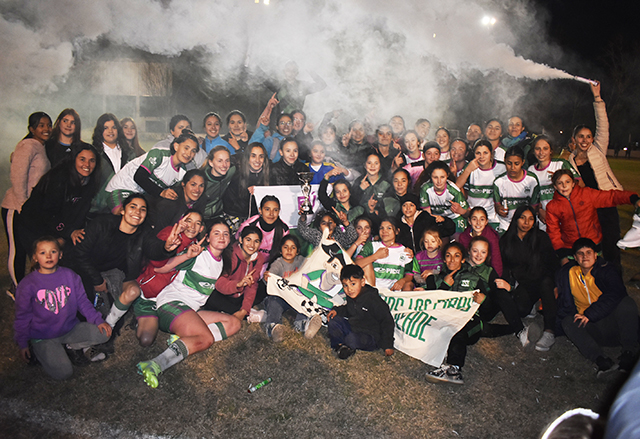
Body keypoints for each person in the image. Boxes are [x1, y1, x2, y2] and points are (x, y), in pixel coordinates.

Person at [136, 220, 242, 388]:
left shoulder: (221, 261)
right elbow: (161, 269)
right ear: (207, 237)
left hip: (191, 310)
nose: (221, 237)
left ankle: (184, 339)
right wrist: (187, 255)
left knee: (234, 323)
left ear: (230, 239)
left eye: (225, 234)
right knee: (205, 339)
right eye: (216, 233)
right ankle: (155, 364)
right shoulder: (198, 253)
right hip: (171, 304)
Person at [14, 237, 112, 380]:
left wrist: (98, 320)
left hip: (69, 328)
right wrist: (22, 343)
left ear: (60, 255)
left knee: (105, 333)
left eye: (53, 251)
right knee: (64, 373)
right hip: (43, 336)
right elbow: (22, 315)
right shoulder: (28, 284)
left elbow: (82, 302)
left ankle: (70, 347)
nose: (48, 256)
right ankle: (41, 351)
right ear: (34, 257)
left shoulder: (70, 275)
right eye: (42, 253)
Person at [102, 211, 205, 347]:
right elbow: (158, 266)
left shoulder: (197, 245)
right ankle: (107, 327)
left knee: (146, 340)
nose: (192, 226)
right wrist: (185, 255)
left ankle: (138, 316)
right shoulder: (170, 233)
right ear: (181, 220)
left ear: (201, 228)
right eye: (189, 220)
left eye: (197, 223)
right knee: (133, 292)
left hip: (162, 298)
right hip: (144, 289)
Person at [63, 194, 181, 312]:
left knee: (108, 306)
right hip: (84, 270)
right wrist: (97, 280)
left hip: (114, 275)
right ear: (123, 211)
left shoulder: (144, 232)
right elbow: (80, 253)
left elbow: (153, 249)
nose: (137, 212)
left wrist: (166, 247)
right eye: (133, 207)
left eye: (142, 209)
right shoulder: (102, 223)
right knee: (77, 306)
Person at [556, 238, 639, 376]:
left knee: (626, 302)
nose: (585, 256)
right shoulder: (568, 274)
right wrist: (558, 328)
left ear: (596, 255)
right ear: (575, 258)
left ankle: (628, 354)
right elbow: (564, 303)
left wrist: (590, 314)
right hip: (591, 328)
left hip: (613, 323)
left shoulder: (607, 269)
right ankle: (602, 361)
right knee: (568, 321)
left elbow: (615, 293)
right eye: (580, 253)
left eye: (589, 252)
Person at [568, 82, 625, 268]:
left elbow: (603, 124)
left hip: (606, 202)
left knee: (612, 241)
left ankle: (614, 276)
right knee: (593, 244)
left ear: (592, 138)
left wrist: (597, 97)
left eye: (588, 136)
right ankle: (596, 277)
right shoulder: (569, 161)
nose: (584, 140)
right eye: (581, 137)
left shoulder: (598, 149)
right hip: (588, 208)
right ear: (574, 139)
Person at [18, 144, 101, 254]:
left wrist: (66, 235)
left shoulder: (89, 182)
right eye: (82, 159)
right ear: (73, 159)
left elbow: (79, 213)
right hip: (34, 224)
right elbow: (47, 213)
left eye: (92, 160)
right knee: (44, 263)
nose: (87, 164)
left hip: (59, 228)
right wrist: (67, 232)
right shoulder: (58, 178)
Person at [545, 169, 639, 264]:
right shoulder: (552, 206)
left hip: (593, 243)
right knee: (576, 277)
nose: (564, 186)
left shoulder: (587, 194)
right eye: (560, 183)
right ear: (555, 186)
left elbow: (611, 197)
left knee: (595, 275)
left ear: (573, 183)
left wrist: (632, 198)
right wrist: (562, 255)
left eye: (567, 182)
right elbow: (553, 231)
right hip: (571, 247)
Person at [424, 242, 485, 385]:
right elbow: (430, 304)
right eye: (448, 256)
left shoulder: (474, 278)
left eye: (457, 256)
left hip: (470, 324)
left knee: (458, 328)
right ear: (444, 260)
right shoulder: (435, 278)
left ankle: (453, 370)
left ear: (463, 259)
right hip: (444, 320)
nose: (452, 260)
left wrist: (484, 300)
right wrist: (445, 286)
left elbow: (487, 307)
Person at [2, 112, 52, 287]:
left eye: (48, 125)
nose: (46, 129)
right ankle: (18, 290)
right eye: (41, 125)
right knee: (18, 251)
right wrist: (23, 206)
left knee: (30, 248)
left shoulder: (40, 146)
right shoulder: (27, 146)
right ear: (32, 129)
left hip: (31, 209)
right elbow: (17, 178)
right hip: (16, 207)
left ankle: (25, 286)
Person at [500, 205, 559, 351]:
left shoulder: (540, 237)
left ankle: (550, 331)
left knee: (546, 286)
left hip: (544, 279)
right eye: (523, 218)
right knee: (520, 310)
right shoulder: (507, 240)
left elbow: (553, 262)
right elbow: (505, 268)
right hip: (526, 283)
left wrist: (557, 285)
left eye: (531, 219)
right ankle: (532, 303)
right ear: (516, 220)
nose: (526, 223)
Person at [103, 128, 198, 213]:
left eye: (193, 151)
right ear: (176, 146)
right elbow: (139, 177)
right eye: (186, 148)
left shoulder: (182, 172)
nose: (189, 153)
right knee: (126, 214)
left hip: (140, 194)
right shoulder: (159, 154)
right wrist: (162, 192)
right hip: (122, 187)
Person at [467, 236, 529, 343]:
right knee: (479, 330)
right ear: (469, 251)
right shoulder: (461, 265)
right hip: (466, 309)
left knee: (501, 293)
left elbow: (499, 291)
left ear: (487, 255)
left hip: (484, 307)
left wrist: (508, 287)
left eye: (483, 252)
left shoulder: (488, 270)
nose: (478, 255)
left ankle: (519, 330)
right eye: (475, 251)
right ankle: (512, 329)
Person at [326, 264, 395, 360]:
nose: (349, 289)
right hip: (354, 328)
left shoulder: (373, 300)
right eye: (345, 285)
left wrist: (388, 345)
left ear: (362, 282)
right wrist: (337, 311)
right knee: (334, 321)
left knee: (351, 339)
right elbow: (348, 309)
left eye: (353, 284)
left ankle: (348, 346)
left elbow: (387, 321)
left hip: (370, 336)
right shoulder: (351, 296)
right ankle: (340, 345)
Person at [262, 235, 322, 342]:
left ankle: (303, 324)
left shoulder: (301, 261)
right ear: (280, 250)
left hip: (296, 297)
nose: (289, 250)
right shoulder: (278, 263)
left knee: (304, 300)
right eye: (286, 247)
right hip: (281, 298)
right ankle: (273, 326)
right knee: (273, 301)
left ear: (298, 251)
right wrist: (267, 278)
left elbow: (312, 267)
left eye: (293, 248)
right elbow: (271, 276)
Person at [203, 226, 266, 321]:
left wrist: (244, 310)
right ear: (241, 239)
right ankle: (245, 314)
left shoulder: (258, 258)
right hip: (226, 292)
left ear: (260, 243)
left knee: (262, 288)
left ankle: (241, 312)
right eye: (248, 240)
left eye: (256, 241)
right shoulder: (231, 254)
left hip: (241, 295)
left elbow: (252, 285)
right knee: (211, 297)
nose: (252, 245)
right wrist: (238, 284)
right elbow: (219, 283)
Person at [527, 136, 579, 231]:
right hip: (544, 220)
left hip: (566, 218)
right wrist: (539, 211)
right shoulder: (530, 171)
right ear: (533, 151)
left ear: (551, 150)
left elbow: (579, 185)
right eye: (538, 149)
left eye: (545, 148)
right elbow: (532, 197)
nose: (541, 152)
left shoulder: (560, 164)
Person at [456, 140, 506, 230]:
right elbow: (456, 186)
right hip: (473, 217)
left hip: (494, 218)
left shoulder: (502, 168)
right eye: (478, 153)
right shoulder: (470, 167)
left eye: (485, 153)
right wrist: (468, 169)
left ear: (491, 153)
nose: (481, 156)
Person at [356, 217, 414, 290]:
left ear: (397, 231)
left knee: (409, 284)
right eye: (381, 228)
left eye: (389, 228)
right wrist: (375, 256)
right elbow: (356, 264)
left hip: (393, 291)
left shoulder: (405, 251)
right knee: (366, 263)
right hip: (373, 290)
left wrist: (403, 281)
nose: (384, 231)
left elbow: (409, 274)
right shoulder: (372, 246)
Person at [493, 146, 540, 234]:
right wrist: (500, 209)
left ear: (523, 162)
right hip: (505, 226)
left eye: (516, 163)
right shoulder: (499, 182)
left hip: (525, 226)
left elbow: (534, 207)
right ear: (504, 161)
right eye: (509, 163)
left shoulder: (531, 180)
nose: (512, 167)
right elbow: (497, 205)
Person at [222, 143, 270, 227]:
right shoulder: (236, 173)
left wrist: (260, 190)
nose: (257, 160)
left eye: (261, 156)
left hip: (256, 217)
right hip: (234, 216)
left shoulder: (269, 174)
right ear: (247, 158)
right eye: (253, 156)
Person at [419, 161, 469, 234]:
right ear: (430, 176)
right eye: (435, 177)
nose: (439, 181)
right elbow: (427, 214)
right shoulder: (425, 189)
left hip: (453, 217)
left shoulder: (454, 191)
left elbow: (468, 213)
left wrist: (461, 210)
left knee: (458, 239)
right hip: (436, 218)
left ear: (447, 175)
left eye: (442, 177)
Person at [237, 196, 289, 265]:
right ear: (260, 210)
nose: (271, 214)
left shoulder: (283, 230)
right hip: (246, 263)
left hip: (269, 266)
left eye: (275, 210)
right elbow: (236, 247)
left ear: (279, 211)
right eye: (267, 209)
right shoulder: (248, 225)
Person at [457, 206, 503, 276]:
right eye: (474, 219)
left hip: (486, 271)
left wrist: (497, 278)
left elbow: (496, 260)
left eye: (482, 219)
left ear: (486, 221)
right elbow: (461, 257)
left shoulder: (492, 237)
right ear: (469, 221)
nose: (478, 223)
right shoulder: (464, 237)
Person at [91, 113, 131, 193]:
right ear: (100, 131)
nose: (110, 131)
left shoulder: (129, 152)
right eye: (106, 128)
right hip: (102, 202)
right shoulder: (94, 153)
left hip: (126, 199)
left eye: (114, 127)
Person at [249, 93, 292, 162]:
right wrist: (262, 127)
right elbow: (252, 148)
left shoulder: (297, 142)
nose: (286, 126)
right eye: (282, 123)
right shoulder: (270, 141)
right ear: (277, 127)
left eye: (289, 123)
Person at [202, 145, 236, 225]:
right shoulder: (202, 180)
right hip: (202, 218)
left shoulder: (231, 170)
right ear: (211, 163)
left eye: (227, 160)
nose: (224, 165)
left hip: (219, 216)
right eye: (219, 161)